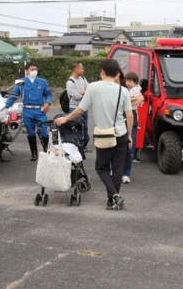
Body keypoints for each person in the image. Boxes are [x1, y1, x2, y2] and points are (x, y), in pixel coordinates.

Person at [56, 59, 133, 210]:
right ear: (117, 73)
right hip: (121, 134)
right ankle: (112, 199)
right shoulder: (122, 90)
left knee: (101, 168)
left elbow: (80, 109)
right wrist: (129, 135)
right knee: (117, 168)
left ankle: (114, 197)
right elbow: (129, 115)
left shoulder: (93, 87)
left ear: (102, 72)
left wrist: (65, 118)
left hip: (104, 135)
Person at [5, 62, 52, 162]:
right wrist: (4, 107)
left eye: (35, 69)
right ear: (26, 70)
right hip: (27, 110)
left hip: (40, 110)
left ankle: (47, 152)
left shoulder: (42, 82)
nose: (34, 71)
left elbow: (48, 94)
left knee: (44, 132)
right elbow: (14, 96)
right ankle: (34, 153)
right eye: (32, 69)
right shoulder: (21, 82)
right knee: (30, 133)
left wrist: (48, 103)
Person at [122, 72, 144, 184]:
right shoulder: (123, 89)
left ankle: (126, 173)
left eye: (130, 81)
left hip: (132, 117)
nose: (128, 83)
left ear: (135, 82)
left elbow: (139, 98)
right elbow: (136, 100)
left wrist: (127, 100)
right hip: (121, 117)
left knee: (130, 148)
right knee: (118, 148)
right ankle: (118, 171)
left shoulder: (135, 89)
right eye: (127, 81)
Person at [65, 62, 89, 150]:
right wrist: (84, 92)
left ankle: (83, 145)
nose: (83, 70)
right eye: (81, 68)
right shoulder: (70, 82)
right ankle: (77, 146)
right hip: (74, 108)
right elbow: (76, 97)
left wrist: (83, 92)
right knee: (76, 128)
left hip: (84, 108)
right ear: (76, 69)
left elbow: (89, 88)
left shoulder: (83, 79)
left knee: (84, 127)